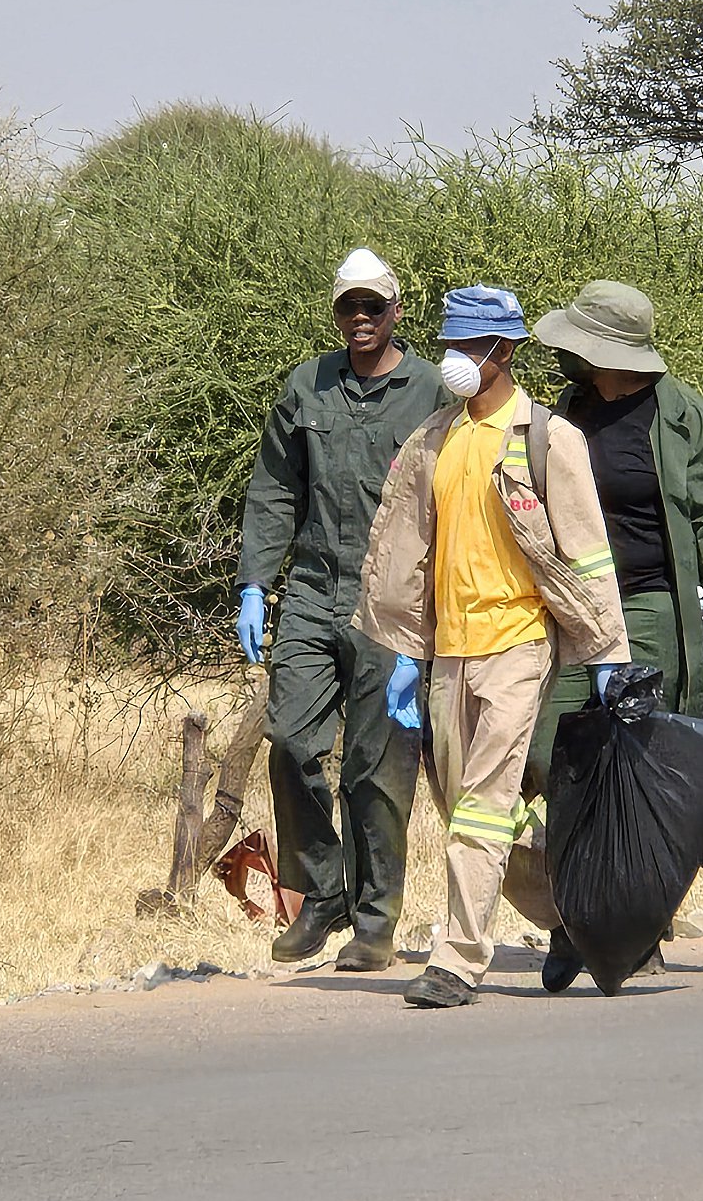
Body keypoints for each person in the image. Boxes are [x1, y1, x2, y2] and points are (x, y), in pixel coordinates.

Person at [354, 286, 630, 1008]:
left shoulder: (548, 439)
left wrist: (608, 656)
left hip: (519, 644)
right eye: (450, 344)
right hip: (450, 651)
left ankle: (457, 960)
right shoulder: (433, 439)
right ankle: (572, 919)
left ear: (503, 351)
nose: (455, 357)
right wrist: (406, 654)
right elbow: (406, 550)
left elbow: (588, 553)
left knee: (481, 804)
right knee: (472, 811)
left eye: (469, 346)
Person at [526, 279, 703, 990]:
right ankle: (575, 917)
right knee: (552, 757)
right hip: (576, 612)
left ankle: (631, 926)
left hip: (654, 611)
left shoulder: (680, 415)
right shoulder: (565, 411)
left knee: (639, 772)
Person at [235, 249, 447, 970]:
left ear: (396, 311)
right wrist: (255, 583)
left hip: (393, 600)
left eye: (373, 306)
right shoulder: (309, 384)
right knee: (291, 742)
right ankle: (322, 893)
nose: (360, 318)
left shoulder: (431, 392)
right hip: (312, 593)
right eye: (348, 307)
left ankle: (375, 920)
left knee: (374, 766)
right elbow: (274, 488)